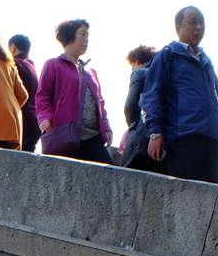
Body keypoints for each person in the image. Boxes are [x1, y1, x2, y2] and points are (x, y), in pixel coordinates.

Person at [143, 7, 218, 183]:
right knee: (192, 197)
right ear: (178, 27)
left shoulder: (206, 62)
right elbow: (152, 95)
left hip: (211, 141)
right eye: (193, 22)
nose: (199, 27)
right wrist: (155, 132)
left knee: (217, 198)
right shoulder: (168, 56)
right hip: (183, 137)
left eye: (202, 22)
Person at [35, 18, 114, 164]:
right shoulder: (53, 64)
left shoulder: (90, 72)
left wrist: (106, 127)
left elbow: (100, 103)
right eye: (82, 34)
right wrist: (45, 117)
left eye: (87, 35)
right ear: (69, 37)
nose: (86, 39)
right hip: (65, 133)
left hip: (92, 136)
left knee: (107, 172)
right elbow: (42, 95)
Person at [120, 44, 159, 168]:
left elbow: (130, 104)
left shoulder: (139, 72)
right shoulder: (162, 74)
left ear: (137, 61)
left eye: (132, 65)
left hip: (141, 139)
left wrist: (132, 124)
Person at [10, 34, 41, 154]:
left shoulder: (16, 65)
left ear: (13, 47)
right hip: (35, 121)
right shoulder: (31, 65)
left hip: (22, 123)